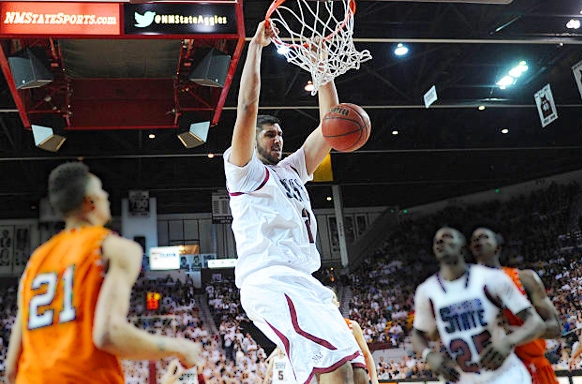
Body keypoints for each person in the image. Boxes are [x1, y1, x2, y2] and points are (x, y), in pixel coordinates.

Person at [223, 21, 360, 384]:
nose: (278, 140)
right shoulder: (245, 172)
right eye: (270, 135)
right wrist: (255, 48)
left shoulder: (292, 170)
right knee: (336, 374)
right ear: (252, 141)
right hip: (269, 281)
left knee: (358, 374)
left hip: (306, 281)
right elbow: (248, 106)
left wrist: (322, 69)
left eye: (281, 134)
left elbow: (330, 127)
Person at [4, 162, 201, 384]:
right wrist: (179, 347)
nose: (106, 195)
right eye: (101, 190)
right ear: (90, 202)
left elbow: (12, 369)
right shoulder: (115, 247)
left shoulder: (35, 261)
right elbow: (108, 334)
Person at [411, 226, 545, 384]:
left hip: (506, 375)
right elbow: (417, 333)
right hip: (465, 379)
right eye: (436, 240)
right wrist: (429, 355)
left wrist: (509, 342)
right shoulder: (426, 291)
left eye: (447, 236)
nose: (440, 241)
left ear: (462, 245)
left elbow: (536, 322)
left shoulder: (492, 278)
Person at [470, 225, 561, 384]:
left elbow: (555, 327)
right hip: (493, 373)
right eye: (474, 239)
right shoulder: (464, 290)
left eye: (484, 236)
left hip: (531, 368)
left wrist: (514, 334)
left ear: (497, 246)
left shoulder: (524, 278)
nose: (478, 240)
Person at [329, 288, 379, 384]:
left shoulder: (352, 325)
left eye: (332, 298)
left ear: (338, 304)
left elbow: (367, 354)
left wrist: (374, 380)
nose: (329, 300)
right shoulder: (319, 332)